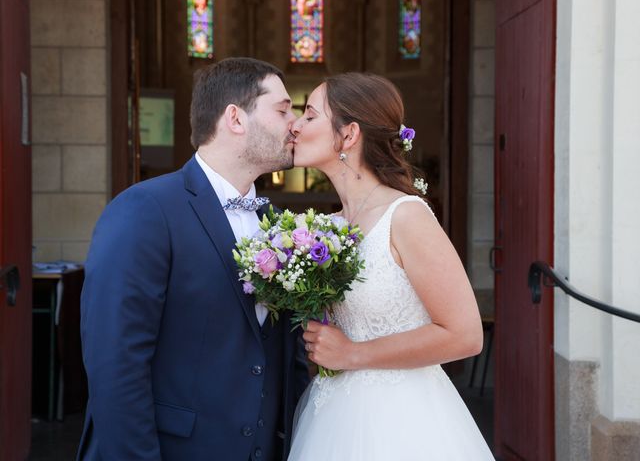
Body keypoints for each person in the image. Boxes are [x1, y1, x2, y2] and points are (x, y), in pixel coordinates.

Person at [77, 58, 309, 461]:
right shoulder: (145, 210)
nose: (295, 124)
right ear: (235, 118)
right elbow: (116, 366)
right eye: (283, 109)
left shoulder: (275, 225)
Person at [287, 72, 494, 460]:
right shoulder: (328, 229)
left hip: (402, 421)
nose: (294, 127)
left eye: (309, 115)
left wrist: (352, 354)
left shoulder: (406, 215)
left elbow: (466, 335)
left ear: (348, 135)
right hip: (334, 416)